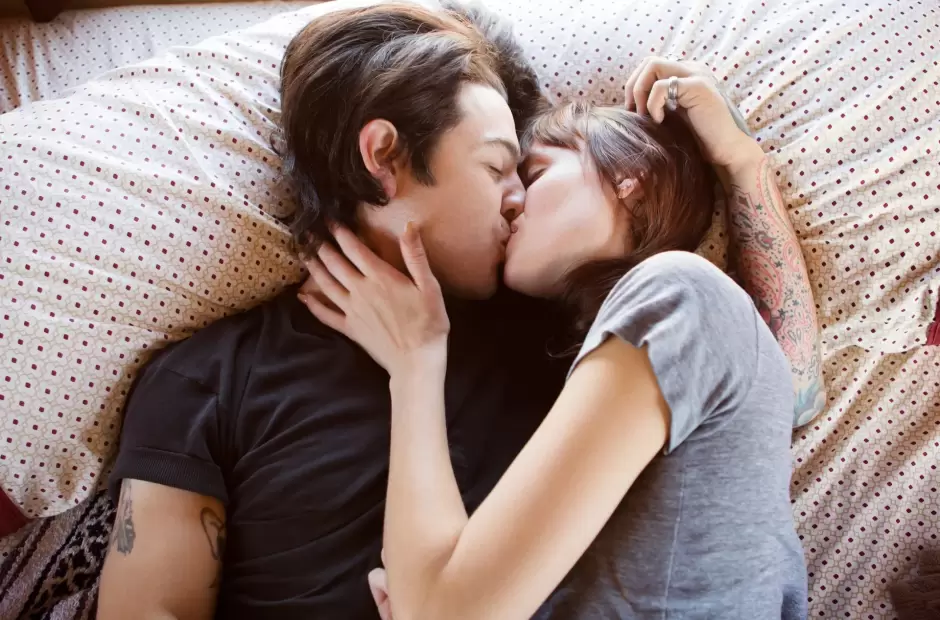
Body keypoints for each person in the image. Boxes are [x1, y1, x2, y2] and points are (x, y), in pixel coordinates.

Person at [298, 58, 818, 619]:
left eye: (536, 173)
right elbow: (793, 387)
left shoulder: (676, 292)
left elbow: (443, 616)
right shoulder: (632, 353)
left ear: (629, 179)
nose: (512, 200)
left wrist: (415, 363)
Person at [97, 5, 561, 620]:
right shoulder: (207, 380)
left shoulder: (551, 327)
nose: (520, 198)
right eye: (496, 167)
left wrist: (709, 134)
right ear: (384, 155)